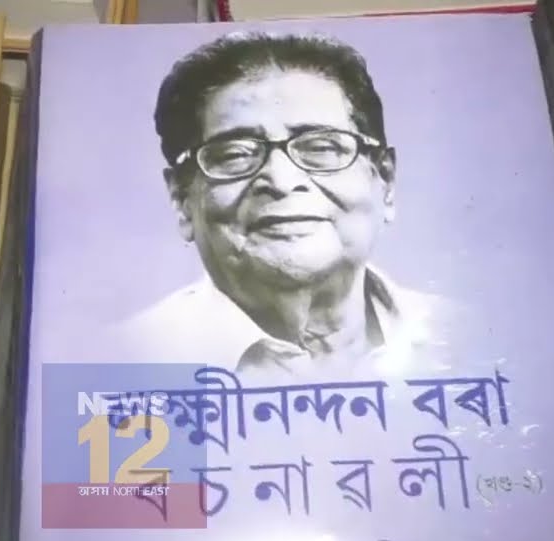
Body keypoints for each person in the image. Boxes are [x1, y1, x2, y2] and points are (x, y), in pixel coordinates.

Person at [122, 31, 457, 380]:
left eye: (321, 148)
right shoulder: (126, 361)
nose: (281, 181)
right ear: (181, 199)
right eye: (236, 154)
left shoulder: (463, 337)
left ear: (385, 181)